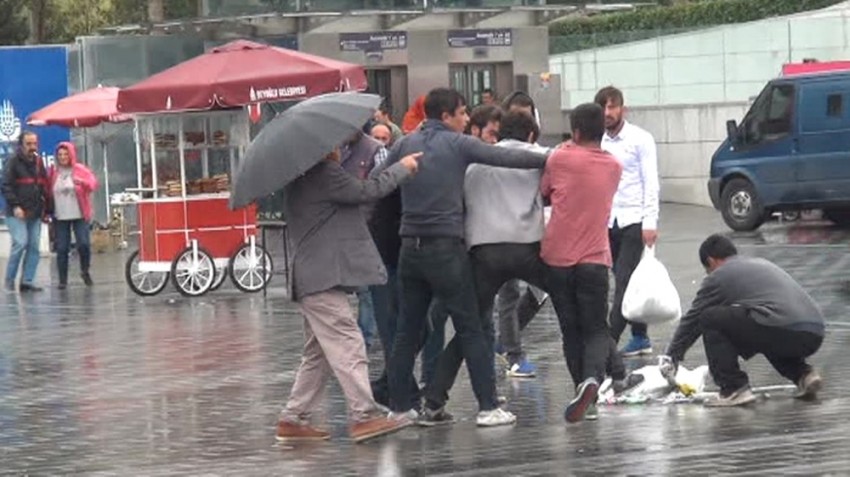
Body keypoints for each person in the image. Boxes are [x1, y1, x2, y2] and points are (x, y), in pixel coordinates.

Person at [379, 87, 547, 427]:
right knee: (471, 326)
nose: (467, 118)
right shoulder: (458, 144)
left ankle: (400, 407)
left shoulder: (404, 143)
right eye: (462, 113)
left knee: (407, 331)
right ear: (446, 116)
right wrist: (555, 157)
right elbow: (508, 157)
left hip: (410, 248)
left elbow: (378, 181)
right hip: (446, 249)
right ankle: (487, 406)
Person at [275, 146, 422, 443]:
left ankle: (294, 417)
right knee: (348, 342)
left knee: (318, 353)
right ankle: (364, 415)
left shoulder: (298, 179)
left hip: (309, 277)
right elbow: (369, 190)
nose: (339, 150)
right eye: (335, 146)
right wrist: (402, 167)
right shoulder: (326, 174)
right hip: (322, 278)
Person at [659, 235, 825, 407]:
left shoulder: (719, 276)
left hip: (783, 328)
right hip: (814, 333)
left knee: (710, 317)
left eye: (707, 269)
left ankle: (733, 388)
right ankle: (804, 375)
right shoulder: (760, 264)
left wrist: (672, 356)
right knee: (763, 327)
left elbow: (693, 319)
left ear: (711, 261)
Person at [541, 103, 624, 423]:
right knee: (595, 328)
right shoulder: (613, 166)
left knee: (570, 330)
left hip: (557, 258)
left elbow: (545, 190)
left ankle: (582, 385)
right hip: (595, 259)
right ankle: (591, 384)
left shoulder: (559, 158)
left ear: (575, 131)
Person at [595, 86, 660, 357]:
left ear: (623, 109)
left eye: (612, 107)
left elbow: (651, 181)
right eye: (603, 108)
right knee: (627, 279)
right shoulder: (597, 142)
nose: (608, 113)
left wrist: (650, 221)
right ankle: (640, 336)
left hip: (634, 220)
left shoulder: (640, 139)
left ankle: (608, 342)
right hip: (608, 222)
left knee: (623, 281)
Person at [2, 131, 50, 292]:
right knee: (20, 243)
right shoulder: (13, 161)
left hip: (34, 212)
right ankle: (9, 280)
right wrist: (15, 205)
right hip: (16, 212)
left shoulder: (38, 162)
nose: (32, 147)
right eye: (28, 144)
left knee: (34, 247)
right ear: (21, 145)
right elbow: (6, 185)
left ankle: (27, 281)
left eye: (34, 144)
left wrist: (47, 207)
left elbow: (43, 184)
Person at [48, 142, 98, 289]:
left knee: (83, 244)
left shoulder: (79, 169)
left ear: (71, 154)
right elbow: (47, 189)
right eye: (60, 155)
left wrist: (81, 182)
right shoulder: (53, 171)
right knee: (62, 248)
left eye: (65, 154)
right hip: (60, 215)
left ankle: (84, 270)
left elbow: (92, 184)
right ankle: (62, 280)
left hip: (79, 213)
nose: (63, 157)